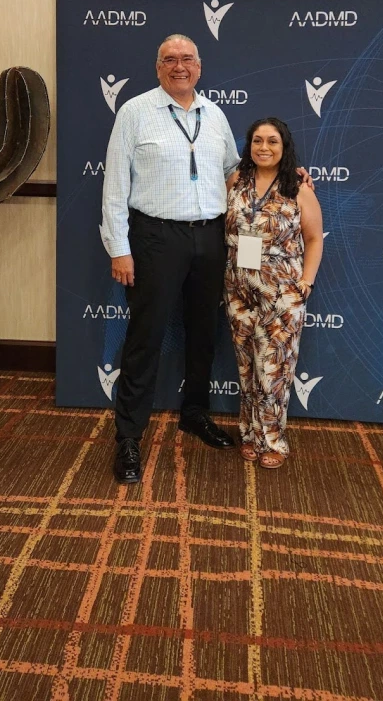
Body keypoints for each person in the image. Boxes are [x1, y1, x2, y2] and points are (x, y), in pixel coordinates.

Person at [101, 35, 312, 484]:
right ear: (158, 68)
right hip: (155, 237)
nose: (180, 67)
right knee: (145, 336)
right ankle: (128, 438)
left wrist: (288, 168)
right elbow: (115, 186)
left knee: (203, 333)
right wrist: (119, 247)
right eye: (170, 60)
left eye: (188, 60)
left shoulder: (214, 114)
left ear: (199, 67)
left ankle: (194, 414)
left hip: (212, 238)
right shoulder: (135, 113)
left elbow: (234, 170)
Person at [224, 117, 323, 469]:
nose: (264, 147)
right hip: (239, 290)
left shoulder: (298, 189)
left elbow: (313, 240)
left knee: (275, 368)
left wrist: (306, 282)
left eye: (272, 141)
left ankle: (273, 439)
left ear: (284, 147)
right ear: (248, 146)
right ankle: (249, 433)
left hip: (282, 292)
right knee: (247, 366)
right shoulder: (236, 182)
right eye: (257, 141)